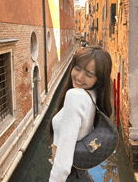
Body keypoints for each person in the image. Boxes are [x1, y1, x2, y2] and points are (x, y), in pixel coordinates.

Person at [48, 45, 113, 181]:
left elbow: (63, 165)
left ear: (98, 79)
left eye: (88, 75)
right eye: (77, 69)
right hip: (79, 175)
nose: (79, 77)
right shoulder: (92, 94)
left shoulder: (75, 96)